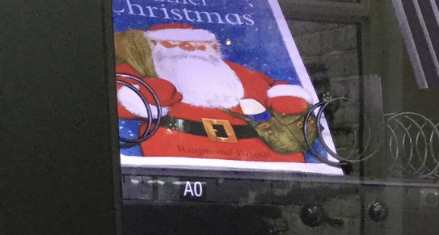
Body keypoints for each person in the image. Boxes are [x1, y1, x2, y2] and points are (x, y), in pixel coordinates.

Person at [116, 21, 317, 164]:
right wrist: (147, 95)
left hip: (257, 150)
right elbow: (116, 96)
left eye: (201, 45)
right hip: (182, 149)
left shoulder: (237, 72)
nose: (193, 50)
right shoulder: (145, 69)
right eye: (177, 45)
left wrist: (287, 98)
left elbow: (276, 86)